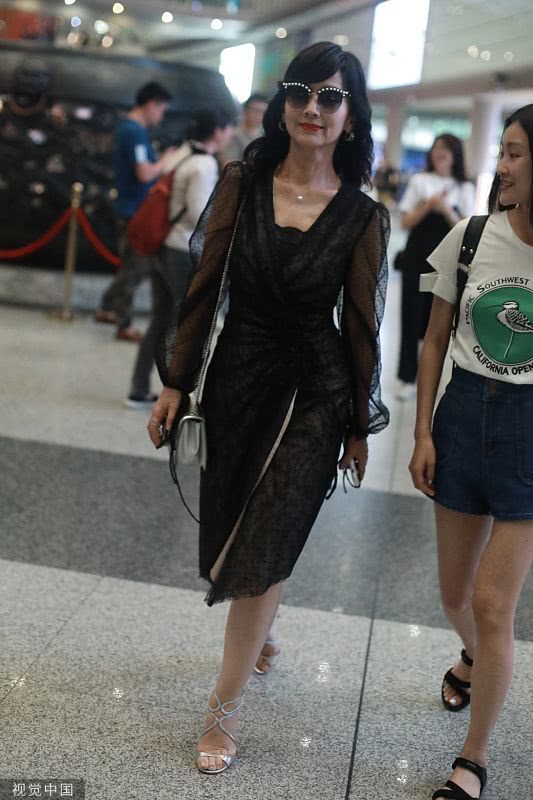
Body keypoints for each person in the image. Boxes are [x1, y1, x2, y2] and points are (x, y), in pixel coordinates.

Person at [147, 41, 390, 775]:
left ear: (351, 117)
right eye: (300, 93)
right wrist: (175, 381)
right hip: (239, 378)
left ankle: (222, 713)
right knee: (234, 532)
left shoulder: (361, 216)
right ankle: (263, 626)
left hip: (315, 394)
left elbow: (362, 325)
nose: (313, 108)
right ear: (282, 106)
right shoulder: (241, 182)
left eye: (330, 97)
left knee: (266, 535)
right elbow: (205, 286)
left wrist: (358, 425)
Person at [409, 104, 533, 800]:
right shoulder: (472, 236)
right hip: (461, 417)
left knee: (491, 606)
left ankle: (474, 759)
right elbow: (433, 341)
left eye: (515, 153)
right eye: (503, 151)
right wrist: (422, 433)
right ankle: (473, 662)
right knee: (454, 594)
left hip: (528, 433)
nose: (501, 165)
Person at [125, 107, 234, 407]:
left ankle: (138, 388)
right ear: (218, 131)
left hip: (164, 244)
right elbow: (200, 215)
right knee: (189, 325)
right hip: (182, 250)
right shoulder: (203, 164)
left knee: (160, 320)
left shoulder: (182, 153)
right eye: (227, 128)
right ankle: (178, 392)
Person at [95, 81, 175, 342]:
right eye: (161, 109)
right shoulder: (134, 132)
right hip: (134, 210)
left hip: (131, 207)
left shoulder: (130, 130)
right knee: (135, 267)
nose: (161, 115)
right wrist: (165, 160)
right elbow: (144, 174)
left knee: (130, 265)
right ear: (151, 104)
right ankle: (124, 322)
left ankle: (107, 307)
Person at [396, 134, 475, 400]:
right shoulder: (419, 181)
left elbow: (467, 229)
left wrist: (445, 210)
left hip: (448, 262)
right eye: (436, 148)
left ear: (455, 155)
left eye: (446, 149)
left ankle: (432, 377)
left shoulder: (464, 187)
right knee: (411, 315)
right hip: (417, 257)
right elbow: (405, 221)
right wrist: (429, 204)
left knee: (438, 320)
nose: (440, 153)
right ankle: (407, 377)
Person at [220, 92, 268, 165]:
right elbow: (228, 165)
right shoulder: (233, 135)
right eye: (256, 111)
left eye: (263, 112)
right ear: (245, 110)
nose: (260, 116)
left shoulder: (265, 134)